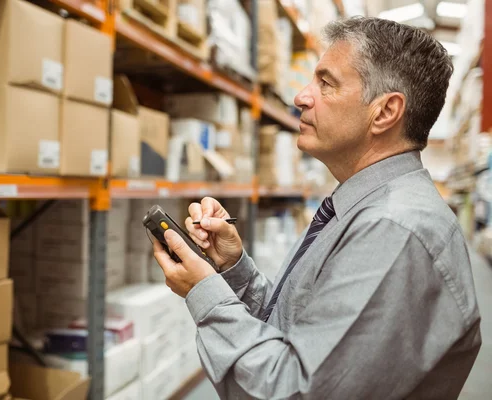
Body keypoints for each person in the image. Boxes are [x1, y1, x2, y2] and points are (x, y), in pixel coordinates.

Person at [152, 16, 481, 399]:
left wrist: (205, 293)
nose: (301, 97)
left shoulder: (394, 230)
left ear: (385, 112)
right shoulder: (365, 209)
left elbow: (293, 389)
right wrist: (232, 270)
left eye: (326, 83)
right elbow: (298, 330)